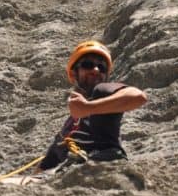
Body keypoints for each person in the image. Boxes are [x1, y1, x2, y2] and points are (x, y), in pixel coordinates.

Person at [37, 40, 148, 172]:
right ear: (74, 73)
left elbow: (138, 97)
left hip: (104, 165)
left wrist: (88, 107)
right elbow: (43, 169)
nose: (95, 70)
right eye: (88, 65)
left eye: (102, 68)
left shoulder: (104, 91)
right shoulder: (68, 126)